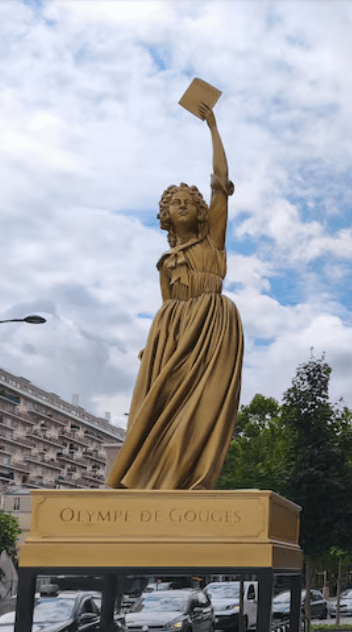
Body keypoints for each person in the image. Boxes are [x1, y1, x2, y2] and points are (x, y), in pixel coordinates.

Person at [107, 102, 244, 490]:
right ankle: (154, 476)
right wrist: (150, 349)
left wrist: (213, 128)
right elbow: (166, 304)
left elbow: (221, 181)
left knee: (202, 405)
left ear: (201, 213)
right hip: (171, 330)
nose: (182, 205)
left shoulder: (212, 240)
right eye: (175, 202)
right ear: (166, 214)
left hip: (212, 326)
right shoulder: (166, 261)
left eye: (189, 201)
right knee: (160, 404)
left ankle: (186, 474)